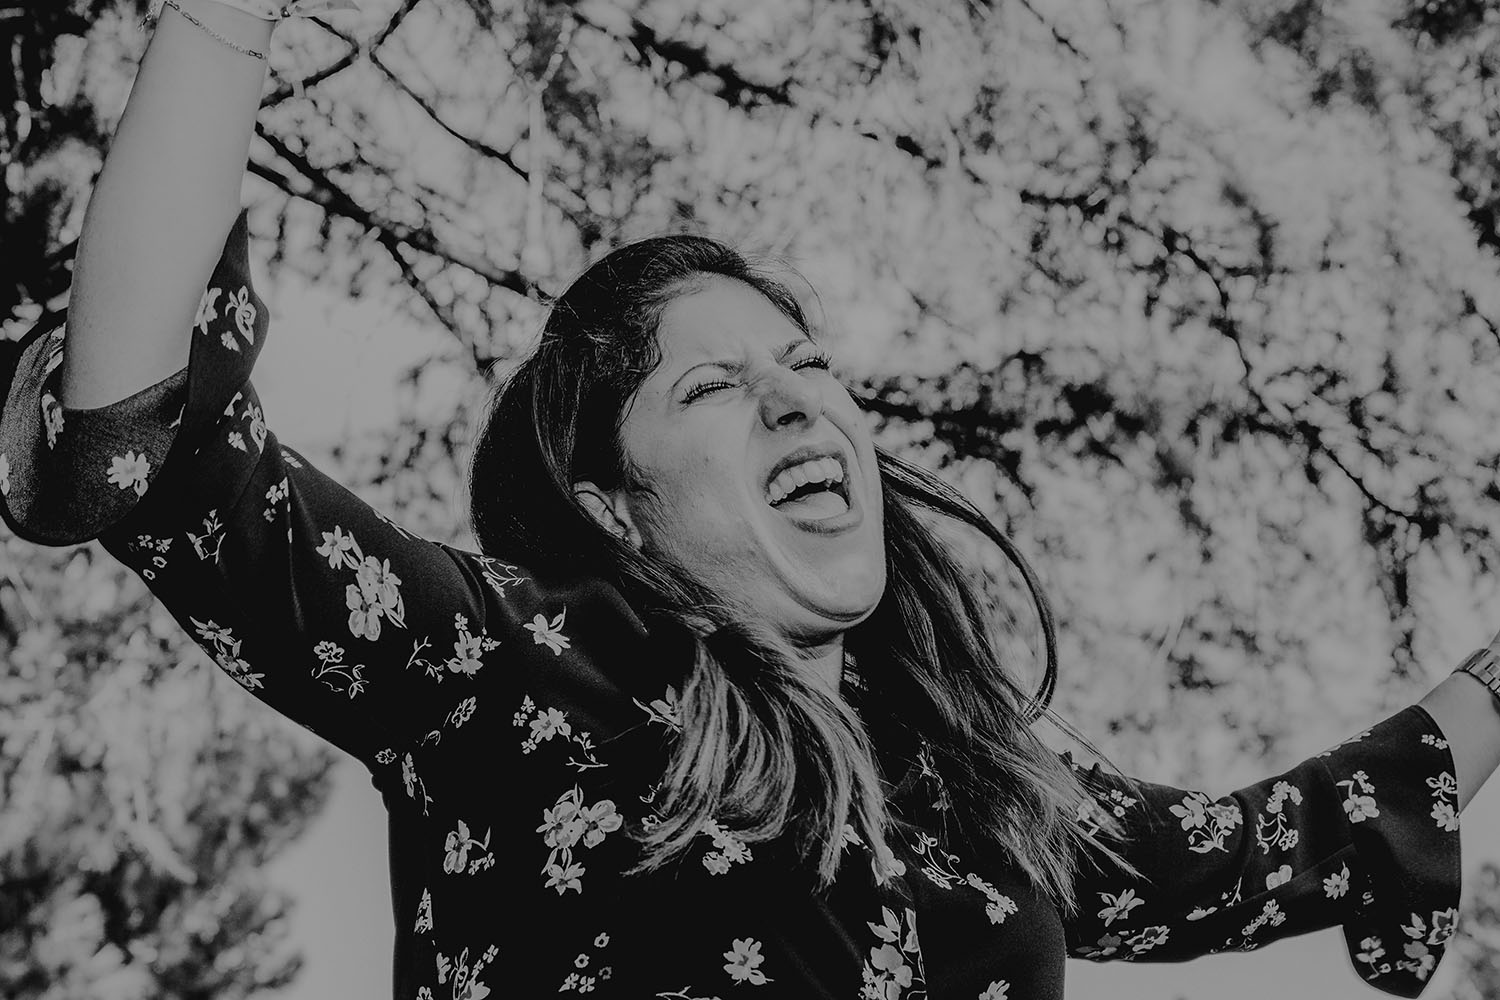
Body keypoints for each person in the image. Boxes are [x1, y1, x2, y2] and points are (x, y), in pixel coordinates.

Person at [3, 2, 1498, 998]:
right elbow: (159, 446)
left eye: (808, 366)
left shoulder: (981, 787)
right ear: (614, 506)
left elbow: (1286, 837)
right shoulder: (523, 672)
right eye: (712, 387)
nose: (796, 402)